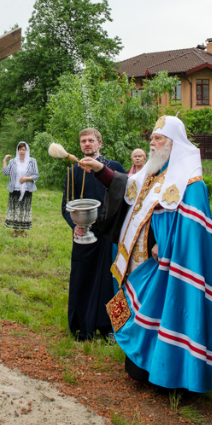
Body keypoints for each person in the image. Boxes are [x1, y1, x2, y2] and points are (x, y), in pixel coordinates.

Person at [82, 115, 212, 392]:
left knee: (167, 312)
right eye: (152, 138)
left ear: (173, 143)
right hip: (139, 259)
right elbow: (125, 187)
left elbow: (193, 231)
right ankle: (142, 368)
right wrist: (99, 169)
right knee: (143, 311)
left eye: (158, 139)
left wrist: (165, 245)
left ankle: (170, 376)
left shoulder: (191, 182)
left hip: (168, 263)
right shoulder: (152, 173)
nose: (152, 143)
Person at [61, 128, 126, 340]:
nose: (87, 144)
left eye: (91, 140)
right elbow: (66, 206)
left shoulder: (114, 168)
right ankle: (83, 326)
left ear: (100, 143)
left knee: (109, 281)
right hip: (84, 235)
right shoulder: (73, 172)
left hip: (108, 235)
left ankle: (108, 327)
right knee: (82, 278)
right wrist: (75, 225)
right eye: (83, 141)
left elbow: (127, 199)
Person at [2, 142, 39, 238]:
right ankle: (15, 231)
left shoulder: (32, 161)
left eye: (23, 150)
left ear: (26, 151)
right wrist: (5, 160)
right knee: (15, 210)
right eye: (20, 150)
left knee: (24, 210)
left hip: (27, 189)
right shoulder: (13, 161)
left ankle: (23, 231)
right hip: (15, 189)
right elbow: (6, 173)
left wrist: (27, 178)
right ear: (17, 151)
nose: (21, 152)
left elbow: (36, 175)